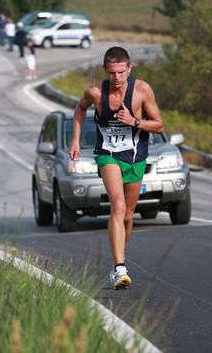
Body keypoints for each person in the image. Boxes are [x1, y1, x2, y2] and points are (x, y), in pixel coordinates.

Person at [69, 46, 164, 290]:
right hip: (107, 155)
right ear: (105, 70)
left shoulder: (141, 90)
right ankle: (120, 267)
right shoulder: (95, 93)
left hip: (135, 157)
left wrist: (134, 121)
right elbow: (80, 109)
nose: (117, 78)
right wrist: (76, 140)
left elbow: (159, 125)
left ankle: (118, 262)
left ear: (129, 69)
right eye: (112, 73)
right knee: (118, 206)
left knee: (129, 217)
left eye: (121, 72)